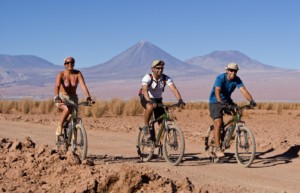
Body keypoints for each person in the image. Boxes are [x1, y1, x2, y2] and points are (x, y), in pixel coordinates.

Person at [208, 63, 256, 158]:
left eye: (235, 71)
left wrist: (251, 101)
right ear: (227, 71)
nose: (233, 72)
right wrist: (219, 101)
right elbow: (217, 90)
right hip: (215, 102)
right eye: (231, 70)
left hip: (227, 101)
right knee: (218, 122)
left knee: (237, 113)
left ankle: (227, 134)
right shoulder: (220, 78)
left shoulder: (237, 80)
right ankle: (217, 148)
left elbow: (243, 90)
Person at [140, 59, 185, 140]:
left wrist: (180, 100)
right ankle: (146, 126)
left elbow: (174, 89)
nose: (160, 70)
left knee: (162, 123)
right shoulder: (147, 77)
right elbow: (145, 90)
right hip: (146, 97)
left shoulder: (166, 78)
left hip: (157, 100)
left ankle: (160, 145)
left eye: (161, 68)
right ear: (152, 69)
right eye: (157, 68)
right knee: (150, 107)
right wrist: (149, 101)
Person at [54, 56, 94, 143]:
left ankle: (73, 140)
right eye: (67, 63)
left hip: (73, 98)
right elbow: (57, 86)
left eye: (72, 62)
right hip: (61, 97)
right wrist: (57, 97)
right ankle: (60, 125)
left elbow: (83, 86)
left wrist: (88, 97)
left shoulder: (78, 73)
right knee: (67, 109)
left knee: (74, 118)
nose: (70, 64)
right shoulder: (61, 74)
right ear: (64, 65)